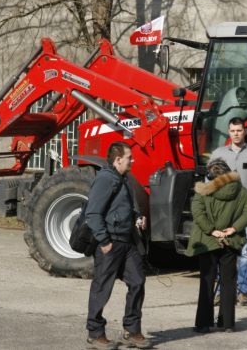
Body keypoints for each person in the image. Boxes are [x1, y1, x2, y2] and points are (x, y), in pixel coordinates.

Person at [85, 141, 152, 350]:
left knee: (138, 281)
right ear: (118, 160)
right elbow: (93, 213)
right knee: (102, 288)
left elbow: (125, 208)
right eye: (129, 157)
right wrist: (104, 241)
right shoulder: (105, 179)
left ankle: (132, 330)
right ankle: (95, 333)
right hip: (110, 243)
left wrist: (138, 217)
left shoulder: (123, 179)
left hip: (126, 241)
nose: (133, 160)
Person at [186, 158, 247, 333]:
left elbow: (197, 213)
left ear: (210, 175)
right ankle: (228, 324)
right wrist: (234, 228)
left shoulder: (203, 191)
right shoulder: (240, 190)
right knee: (229, 282)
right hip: (230, 241)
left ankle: (203, 324)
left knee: (207, 281)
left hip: (209, 241)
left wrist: (212, 230)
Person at [210, 116, 247, 306]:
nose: (236, 134)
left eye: (239, 130)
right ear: (229, 132)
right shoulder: (218, 154)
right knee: (223, 249)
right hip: (224, 210)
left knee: (246, 251)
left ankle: (243, 292)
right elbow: (208, 181)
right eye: (233, 131)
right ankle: (221, 291)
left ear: (245, 131)